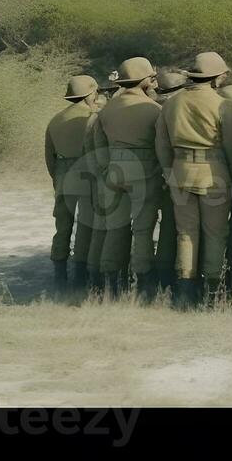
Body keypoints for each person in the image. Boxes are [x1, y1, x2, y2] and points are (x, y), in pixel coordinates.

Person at [155, 52, 232, 308]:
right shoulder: (224, 105)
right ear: (215, 77)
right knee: (215, 233)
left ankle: (185, 290)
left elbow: (161, 144)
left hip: (180, 171)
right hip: (213, 172)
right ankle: (213, 292)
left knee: (186, 233)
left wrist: (168, 171)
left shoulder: (172, 103)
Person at [88, 57, 164, 301]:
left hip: (113, 171)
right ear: (144, 80)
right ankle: (143, 287)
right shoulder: (154, 109)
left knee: (114, 229)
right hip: (144, 171)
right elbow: (161, 146)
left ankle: (110, 285)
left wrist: (105, 169)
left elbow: (98, 145)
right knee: (142, 231)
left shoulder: (107, 108)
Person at [45, 75, 101, 297]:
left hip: (62, 171)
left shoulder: (55, 120)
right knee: (87, 223)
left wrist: (57, 178)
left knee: (63, 224)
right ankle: (80, 275)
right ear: (89, 93)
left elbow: (49, 156)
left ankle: (59, 274)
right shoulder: (92, 117)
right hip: (87, 170)